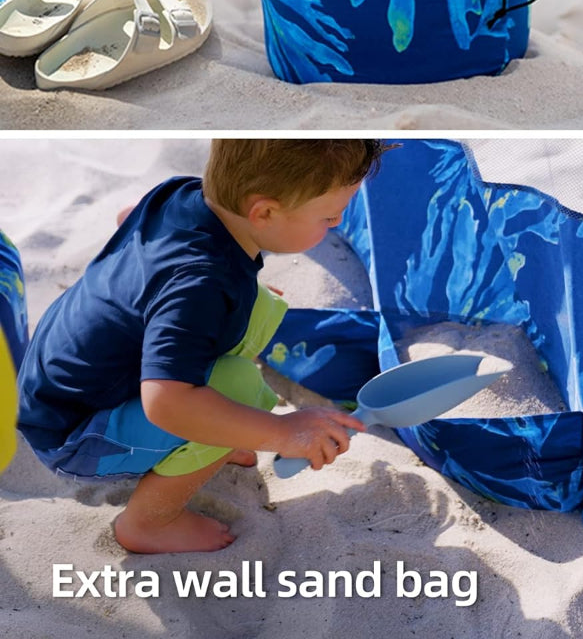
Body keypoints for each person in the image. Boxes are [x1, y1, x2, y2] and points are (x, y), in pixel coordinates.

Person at [16, 138, 387, 554]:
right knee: (238, 386)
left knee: (257, 307)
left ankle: (213, 436)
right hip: (76, 436)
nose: (336, 224)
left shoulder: (182, 193)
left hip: (56, 384)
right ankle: (147, 523)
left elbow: (128, 217)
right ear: (263, 212)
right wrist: (282, 432)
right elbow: (167, 404)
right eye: (330, 216)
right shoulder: (199, 286)